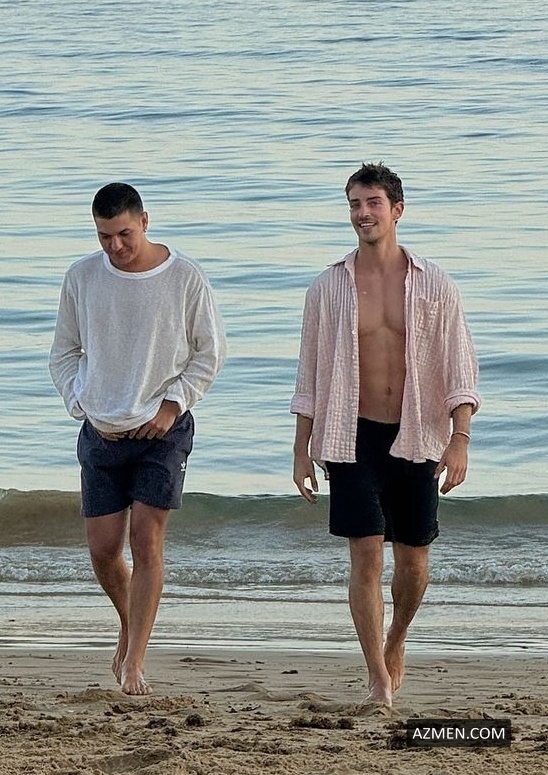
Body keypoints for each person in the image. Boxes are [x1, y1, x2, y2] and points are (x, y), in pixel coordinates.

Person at [291, 163, 480, 707]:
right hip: (350, 435)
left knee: (414, 561)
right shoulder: (328, 287)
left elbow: (460, 366)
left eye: (373, 203)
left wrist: (460, 437)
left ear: (397, 210)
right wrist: (301, 451)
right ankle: (377, 675)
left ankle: (396, 639)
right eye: (355, 204)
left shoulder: (434, 283)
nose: (363, 213)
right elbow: (309, 376)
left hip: (418, 432)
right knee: (366, 555)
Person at [49, 183, 226, 696]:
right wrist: (80, 402)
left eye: (124, 233)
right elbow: (64, 352)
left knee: (145, 540)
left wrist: (174, 405)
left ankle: (135, 661)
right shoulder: (82, 276)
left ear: (144, 221)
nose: (115, 246)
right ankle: (131, 626)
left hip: (161, 432)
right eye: (104, 236)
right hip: (100, 431)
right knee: (103, 551)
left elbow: (209, 352)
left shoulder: (184, 276)